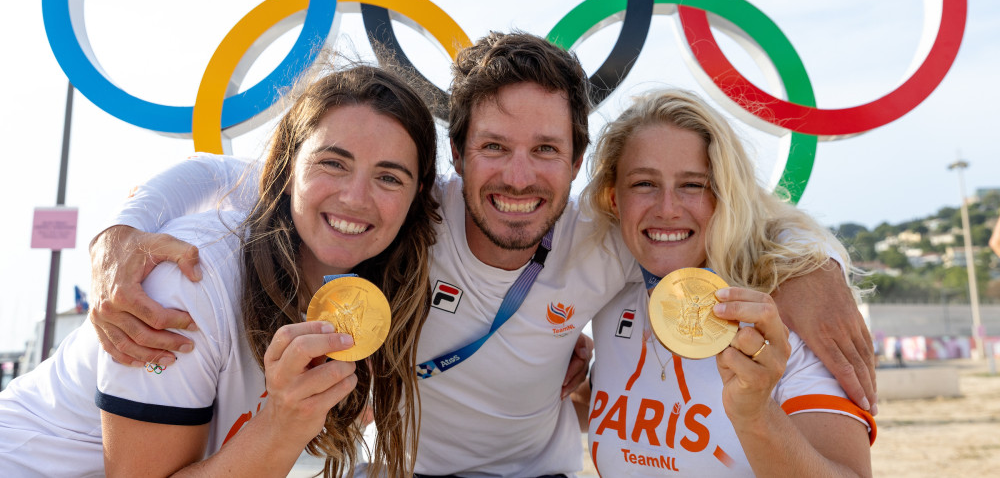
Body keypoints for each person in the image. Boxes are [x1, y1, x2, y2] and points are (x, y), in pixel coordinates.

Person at [87, 32, 876, 476]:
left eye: (546, 150)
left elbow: (724, 217)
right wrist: (121, 228)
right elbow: (233, 177)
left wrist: (816, 264)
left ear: (576, 165)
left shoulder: (603, 236)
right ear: (456, 156)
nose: (520, 177)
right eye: (494, 147)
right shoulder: (398, 212)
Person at [0, 61, 440, 477]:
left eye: (389, 177)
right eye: (333, 163)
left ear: (417, 195)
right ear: (287, 168)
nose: (355, 198)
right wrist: (281, 425)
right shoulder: (189, 278)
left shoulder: (373, 288)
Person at [578, 89, 874, 476]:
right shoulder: (611, 291)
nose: (667, 209)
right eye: (643, 184)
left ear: (723, 196)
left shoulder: (786, 320)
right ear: (613, 198)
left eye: (693, 185)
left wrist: (756, 415)